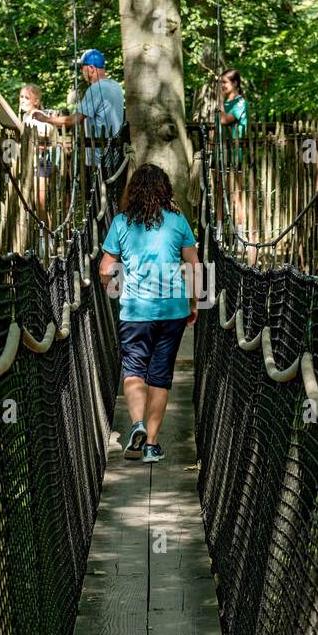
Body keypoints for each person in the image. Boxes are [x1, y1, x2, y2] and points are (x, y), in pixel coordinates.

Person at [99, 163, 199, 464]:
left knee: (133, 370)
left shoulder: (120, 222)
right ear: (165, 190)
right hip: (173, 310)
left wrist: (112, 288)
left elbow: (105, 270)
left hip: (135, 310)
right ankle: (153, 445)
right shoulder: (178, 221)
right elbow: (195, 267)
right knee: (160, 376)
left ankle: (137, 425)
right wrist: (193, 303)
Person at [33, 49, 124, 153]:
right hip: (116, 152)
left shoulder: (96, 88)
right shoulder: (116, 86)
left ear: (91, 68)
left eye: (82, 68)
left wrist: (45, 119)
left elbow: (73, 120)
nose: (81, 72)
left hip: (100, 156)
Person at [215, 69, 249, 242]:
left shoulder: (240, 102)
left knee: (236, 195)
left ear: (235, 84)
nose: (222, 86)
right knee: (220, 193)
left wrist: (219, 101)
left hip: (235, 154)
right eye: (220, 83)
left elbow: (224, 119)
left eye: (225, 83)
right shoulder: (223, 104)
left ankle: (240, 236)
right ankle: (219, 235)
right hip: (221, 153)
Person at [18, 84, 56, 222]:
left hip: (41, 163)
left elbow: (48, 131)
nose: (23, 100)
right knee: (33, 204)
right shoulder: (26, 116)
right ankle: (44, 238)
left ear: (36, 101)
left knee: (40, 205)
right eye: (21, 97)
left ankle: (49, 241)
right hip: (30, 163)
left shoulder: (37, 115)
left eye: (27, 98)